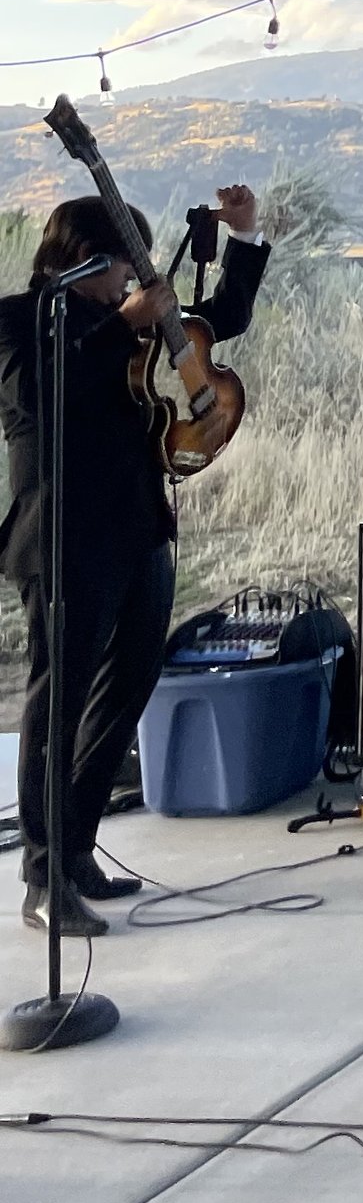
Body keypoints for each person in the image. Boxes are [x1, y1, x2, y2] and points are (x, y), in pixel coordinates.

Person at [0, 184, 267, 933]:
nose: (134, 278)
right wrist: (119, 325)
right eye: (124, 264)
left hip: (139, 526)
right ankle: (42, 878)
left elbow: (223, 322)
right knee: (56, 700)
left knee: (129, 683)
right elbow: (37, 395)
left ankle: (77, 846)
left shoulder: (138, 326)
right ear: (85, 260)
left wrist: (245, 236)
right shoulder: (18, 322)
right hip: (63, 537)